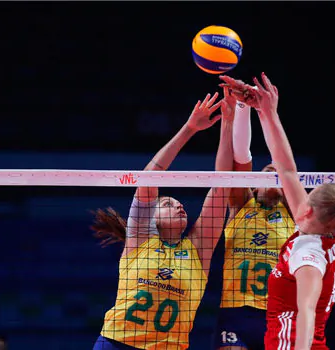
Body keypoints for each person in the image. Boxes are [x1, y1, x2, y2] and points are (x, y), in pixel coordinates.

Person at [220, 72, 335, 350]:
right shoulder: (313, 229)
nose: (301, 196)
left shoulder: (308, 256)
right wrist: (266, 111)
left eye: (309, 196)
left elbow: (307, 312)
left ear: (308, 211)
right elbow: (286, 168)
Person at [91, 90, 236, 350]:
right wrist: (189, 128)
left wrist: (228, 123)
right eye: (168, 203)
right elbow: (149, 178)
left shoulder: (198, 250)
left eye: (179, 203)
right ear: (152, 218)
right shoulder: (139, 241)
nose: (179, 205)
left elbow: (222, 185)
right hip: (117, 343)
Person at [215, 98, 295, 349]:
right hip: (234, 310)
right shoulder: (241, 205)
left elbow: (286, 164)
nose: (273, 174)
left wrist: (269, 113)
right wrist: (242, 106)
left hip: (277, 314)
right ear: (253, 182)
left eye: (277, 175)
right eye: (266, 172)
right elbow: (241, 157)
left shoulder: (294, 214)